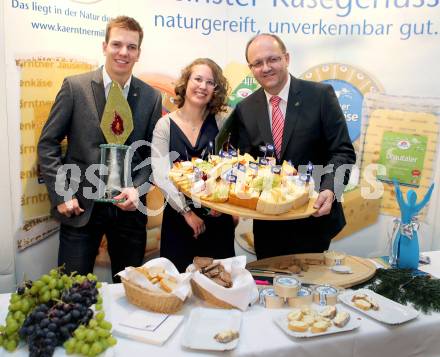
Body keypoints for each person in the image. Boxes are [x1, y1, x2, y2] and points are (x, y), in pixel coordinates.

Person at [37, 16, 162, 282]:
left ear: (138, 53)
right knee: (72, 293)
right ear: (104, 46)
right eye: (117, 44)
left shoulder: (152, 97)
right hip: (80, 208)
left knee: (128, 293)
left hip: (129, 214)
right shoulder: (75, 87)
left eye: (131, 47)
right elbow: (48, 143)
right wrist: (62, 194)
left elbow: (152, 155)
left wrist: (137, 189)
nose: (123, 52)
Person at [228, 34, 356, 259]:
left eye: (273, 59)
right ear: (251, 68)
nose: (266, 68)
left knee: (311, 290)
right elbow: (246, 163)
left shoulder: (320, 96)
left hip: (313, 218)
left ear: (286, 58)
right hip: (268, 225)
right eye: (257, 63)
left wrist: (330, 189)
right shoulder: (245, 109)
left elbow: (342, 151)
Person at [152, 58, 236, 272]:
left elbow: (233, 167)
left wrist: (229, 206)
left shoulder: (222, 122)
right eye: (198, 79)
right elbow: (161, 175)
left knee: (220, 286)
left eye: (210, 82)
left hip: (218, 220)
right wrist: (187, 213)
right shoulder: (165, 125)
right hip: (179, 221)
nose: (203, 86)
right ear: (186, 82)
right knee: (178, 287)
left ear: (215, 90)